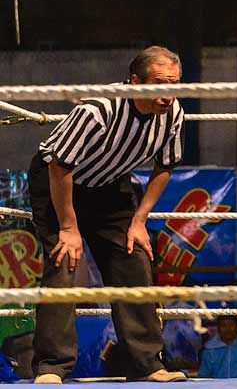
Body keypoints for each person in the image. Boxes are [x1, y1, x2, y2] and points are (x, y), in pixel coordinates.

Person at [28, 46, 187, 384]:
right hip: (58, 182)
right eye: (160, 83)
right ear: (134, 82)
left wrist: (140, 220)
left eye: (174, 84)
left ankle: (146, 363)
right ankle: (51, 366)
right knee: (63, 261)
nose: (167, 94)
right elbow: (60, 168)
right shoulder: (98, 111)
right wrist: (69, 226)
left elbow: (165, 167)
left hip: (110, 185)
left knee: (134, 259)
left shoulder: (174, 115)